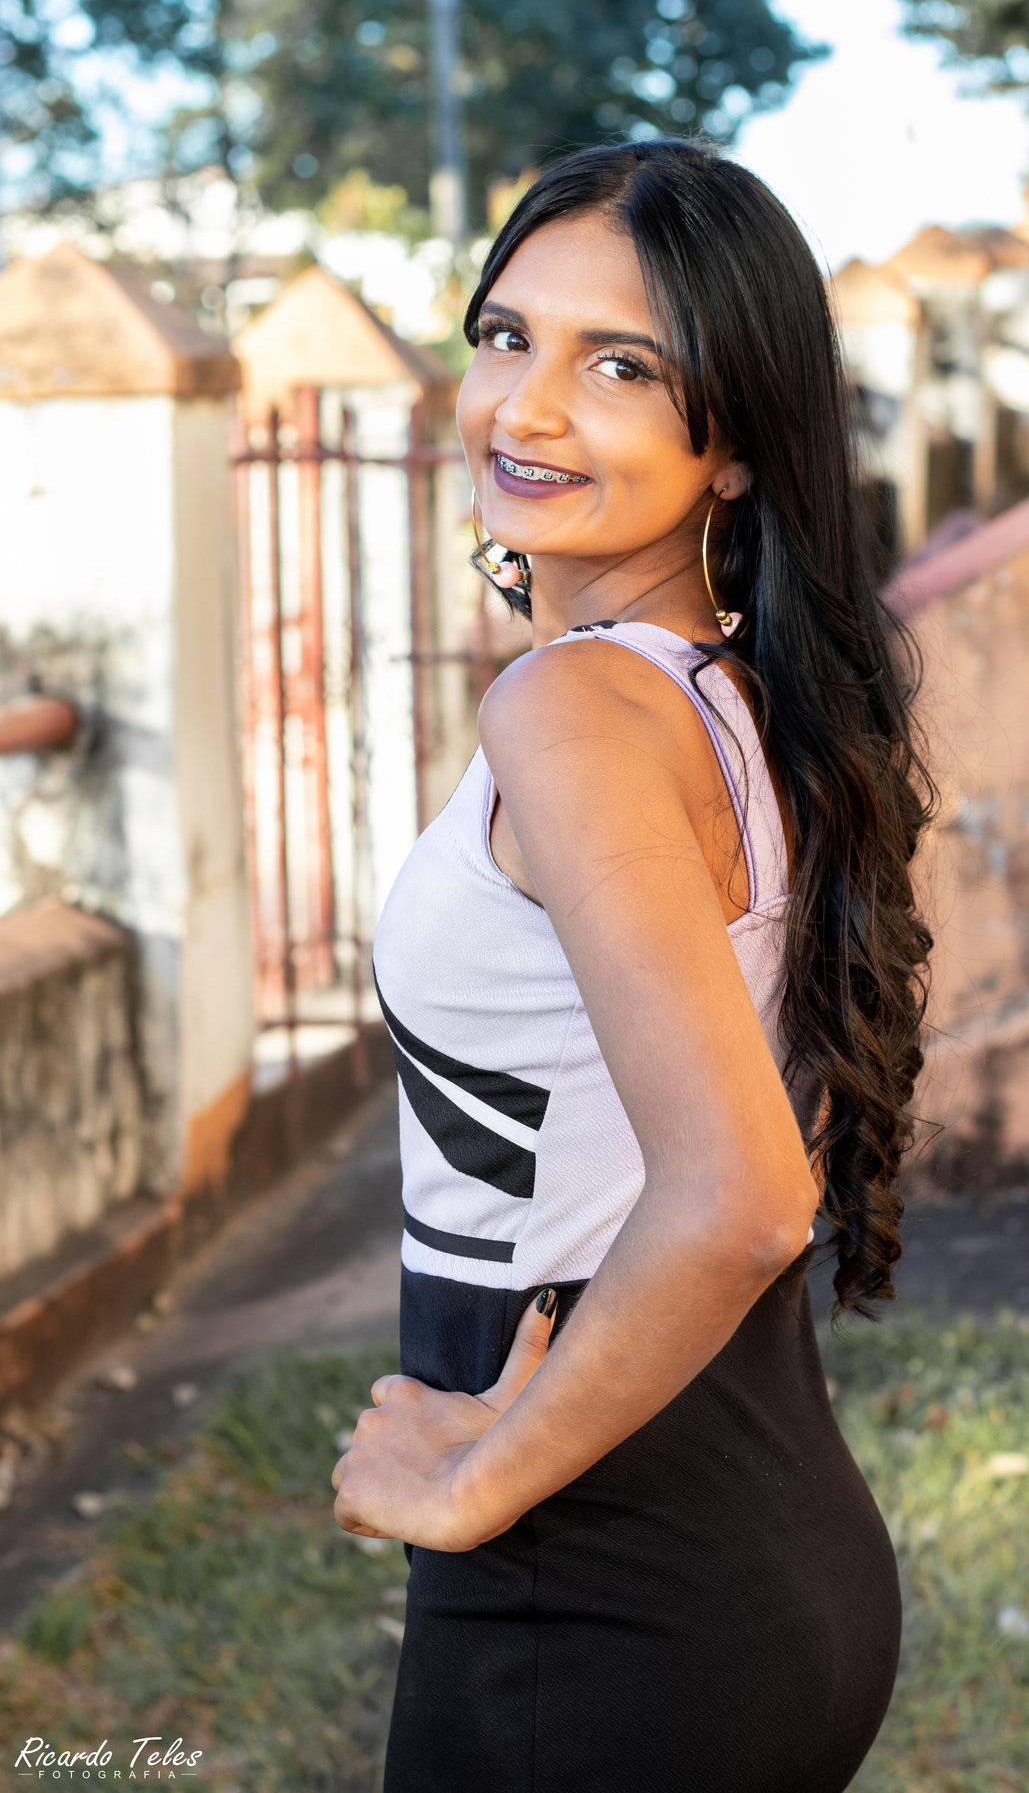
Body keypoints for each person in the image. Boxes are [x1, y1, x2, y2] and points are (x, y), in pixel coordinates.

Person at [332, 139, 934, 1793]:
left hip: (596, 1597)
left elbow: (743, 1196)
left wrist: (477, 1481)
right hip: (759, 1553)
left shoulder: (576, 709)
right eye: (506, 336)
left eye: (620, 367)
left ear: (730, 444)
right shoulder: (732, 700)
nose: (524, 408)